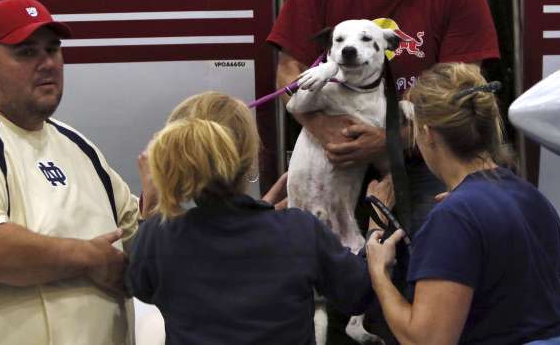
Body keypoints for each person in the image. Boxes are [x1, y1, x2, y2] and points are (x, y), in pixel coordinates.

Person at [267, 0, 500, 343]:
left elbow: (464, 90)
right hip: (327, 144)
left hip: (420, 153)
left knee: (431, 248)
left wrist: (390, 143)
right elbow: (290, 72)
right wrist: (324, 130)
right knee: (310, 268)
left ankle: (416, 328)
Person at [126, 91, 376, 344]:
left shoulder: (159, 236)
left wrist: (153, 204)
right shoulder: (298, 231)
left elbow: (139, 287)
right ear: (252, 157)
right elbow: (358, 293)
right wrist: (377, 227)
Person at [0, 0, 140, 344]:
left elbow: (135, 231)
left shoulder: (77, 143)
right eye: (26, 52)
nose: (47, 63)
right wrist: (89, 258)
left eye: (53, 49)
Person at [366, 63, 560, 345]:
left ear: (426, 134)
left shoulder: (454, 218)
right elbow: (551, 295)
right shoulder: (532, 198)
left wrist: (378, 272)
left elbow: (427, 341)